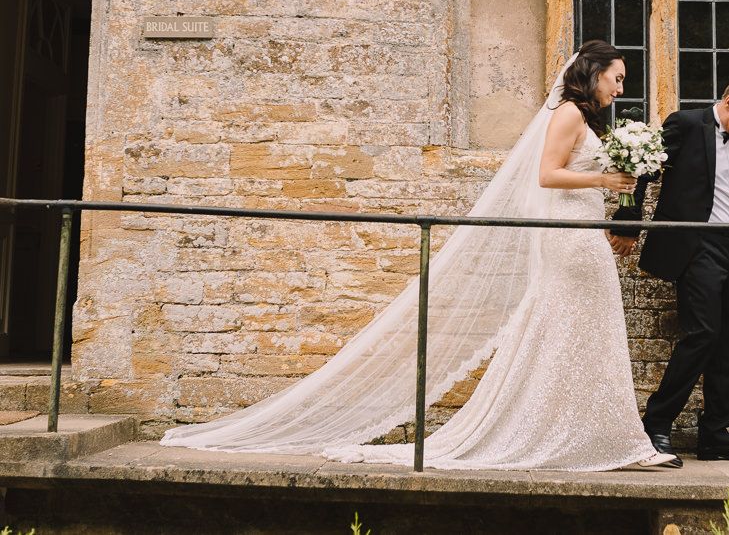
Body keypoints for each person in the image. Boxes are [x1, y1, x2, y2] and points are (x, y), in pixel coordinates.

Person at [161, 40, 674, 470]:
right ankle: (580, 435)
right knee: (571, 327)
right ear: (594, 73)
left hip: (582, 233)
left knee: (584, 331)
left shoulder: (584, 118)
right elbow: (547, 174)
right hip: (569, 238)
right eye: (618, 78)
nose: (620, 88)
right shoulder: (566, 114)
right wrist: (606, 178)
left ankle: (596, 434)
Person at [610, 86, 729, 467]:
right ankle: (657, 423)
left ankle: (714, 436)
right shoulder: (687, 124)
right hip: (698, 245)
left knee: (726, 343)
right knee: (703, 333)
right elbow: (643, 170)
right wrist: (628, 223)